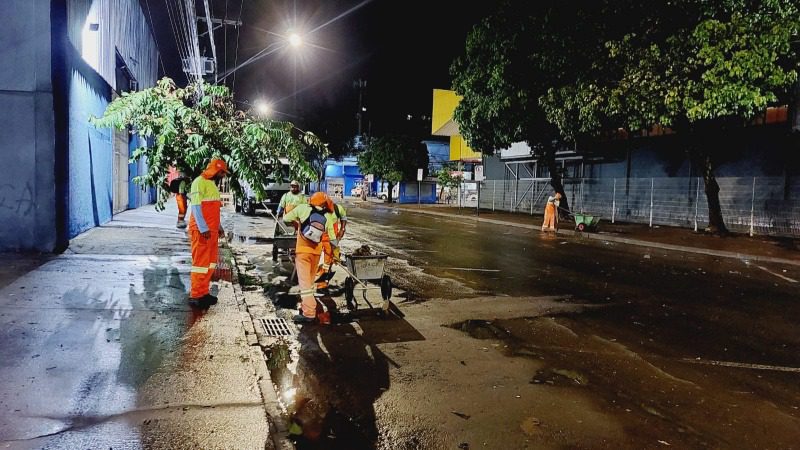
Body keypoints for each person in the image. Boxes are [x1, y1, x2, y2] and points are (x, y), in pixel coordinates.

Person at [283, 192, 332, 323]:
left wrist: (298, 223)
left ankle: (309, 313)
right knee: (309, 282)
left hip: (303, 252)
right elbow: (327, 238)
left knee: (305, 285)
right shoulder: (327, 216)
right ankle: (307, 306)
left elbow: (286, 219)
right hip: (316, 253)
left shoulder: (302, 208)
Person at [188, 158, 229, 308]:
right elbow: (196, 207)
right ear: (216, 171)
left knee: (209, 264)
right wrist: (203, 228)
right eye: (222, 173)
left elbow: (213, 210)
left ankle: (203, 292)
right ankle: (196, 295)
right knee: (200, 263)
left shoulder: (211, 185)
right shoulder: (198, 182)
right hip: (201, 231)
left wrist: (219, 227)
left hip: (210, 231)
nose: (223, 176)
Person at [316, 198, 347, 290]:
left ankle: (323, 283)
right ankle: (318, 279)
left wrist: (342, 229)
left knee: (328, 261)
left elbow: (343, 218)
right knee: (318, 260)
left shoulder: (338, 208)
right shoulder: (317, 210)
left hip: (331, 239)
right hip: (319, 237)